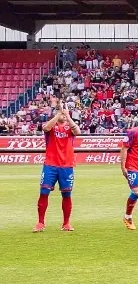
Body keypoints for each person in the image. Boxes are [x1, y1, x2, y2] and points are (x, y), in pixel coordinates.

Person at [35, 98, 78, 233]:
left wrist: (68, 116)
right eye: (62, 113)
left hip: (67, 166)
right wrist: (58, 113)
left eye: (65, 113)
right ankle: (40, 223)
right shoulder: (51, 126)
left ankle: (66, 223)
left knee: (67, 194)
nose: (63, 115)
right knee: (44, 193)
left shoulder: (70, 127)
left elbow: (78, 132)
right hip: (50, 165)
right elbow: (45, 128)